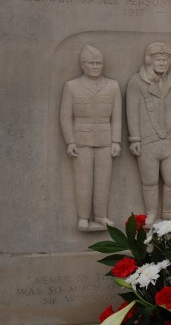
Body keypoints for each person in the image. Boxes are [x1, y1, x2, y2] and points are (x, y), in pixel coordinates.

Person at [126, 42, 171, 228]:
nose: (161, 63)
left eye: (164, 59)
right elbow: (132, 112)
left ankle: (169, 210)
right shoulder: (136, 81)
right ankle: (152, 213)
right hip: (147, 142)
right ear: (149, 61)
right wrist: (134, 139)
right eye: (157, 60)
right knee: (150, 181)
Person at [60, 45, 121, 232]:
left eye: (99, 63)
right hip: (81, 139)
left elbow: (117, 116)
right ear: (82, 65)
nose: (96, 66)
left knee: (103, 180)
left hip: (104, 138)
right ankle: (83, 217)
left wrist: (116, 141)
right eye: (91, 63)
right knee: (83, 180)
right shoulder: (72, 86)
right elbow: (65, 116)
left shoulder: (113, 86)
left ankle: (101, 216)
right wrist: (70, 141)